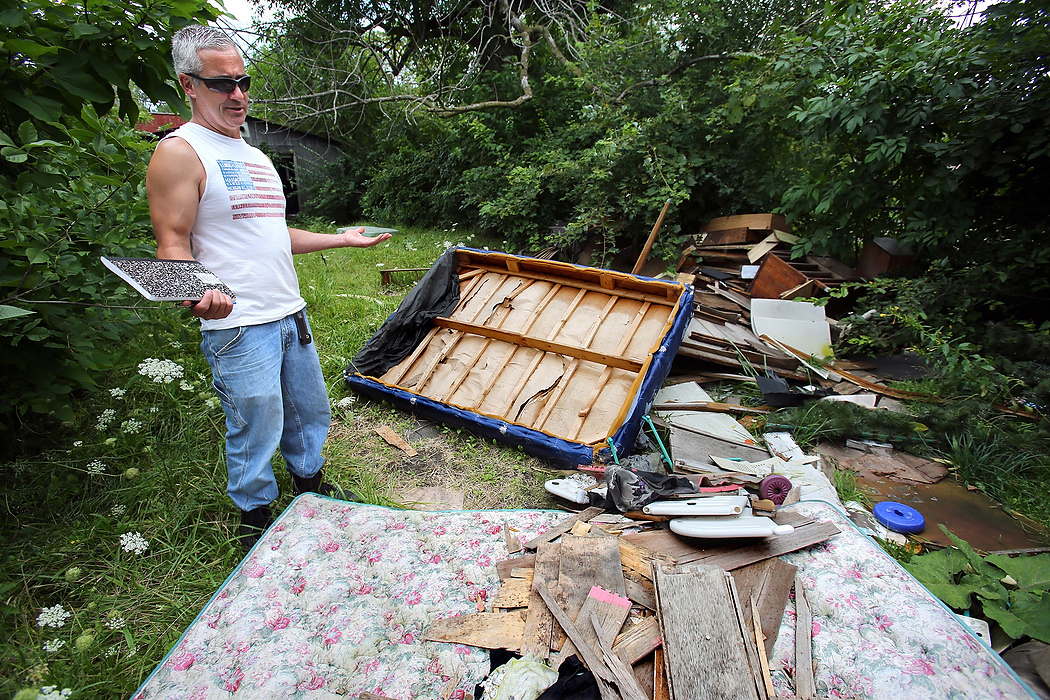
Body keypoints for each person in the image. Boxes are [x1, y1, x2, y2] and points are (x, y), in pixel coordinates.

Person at [146, 24, 391, 548]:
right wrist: (193, 294)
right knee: (255, 421)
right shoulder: (180, 151)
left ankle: (311, 489)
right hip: (239, 322)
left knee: (308, 410)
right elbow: (172, 239)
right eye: (221, 84)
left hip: (288, 311)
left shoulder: (255, 156)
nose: (237, 95)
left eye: (243, 81)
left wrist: (342, 240)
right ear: (189, 85)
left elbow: (272, 234)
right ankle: (255, 514)